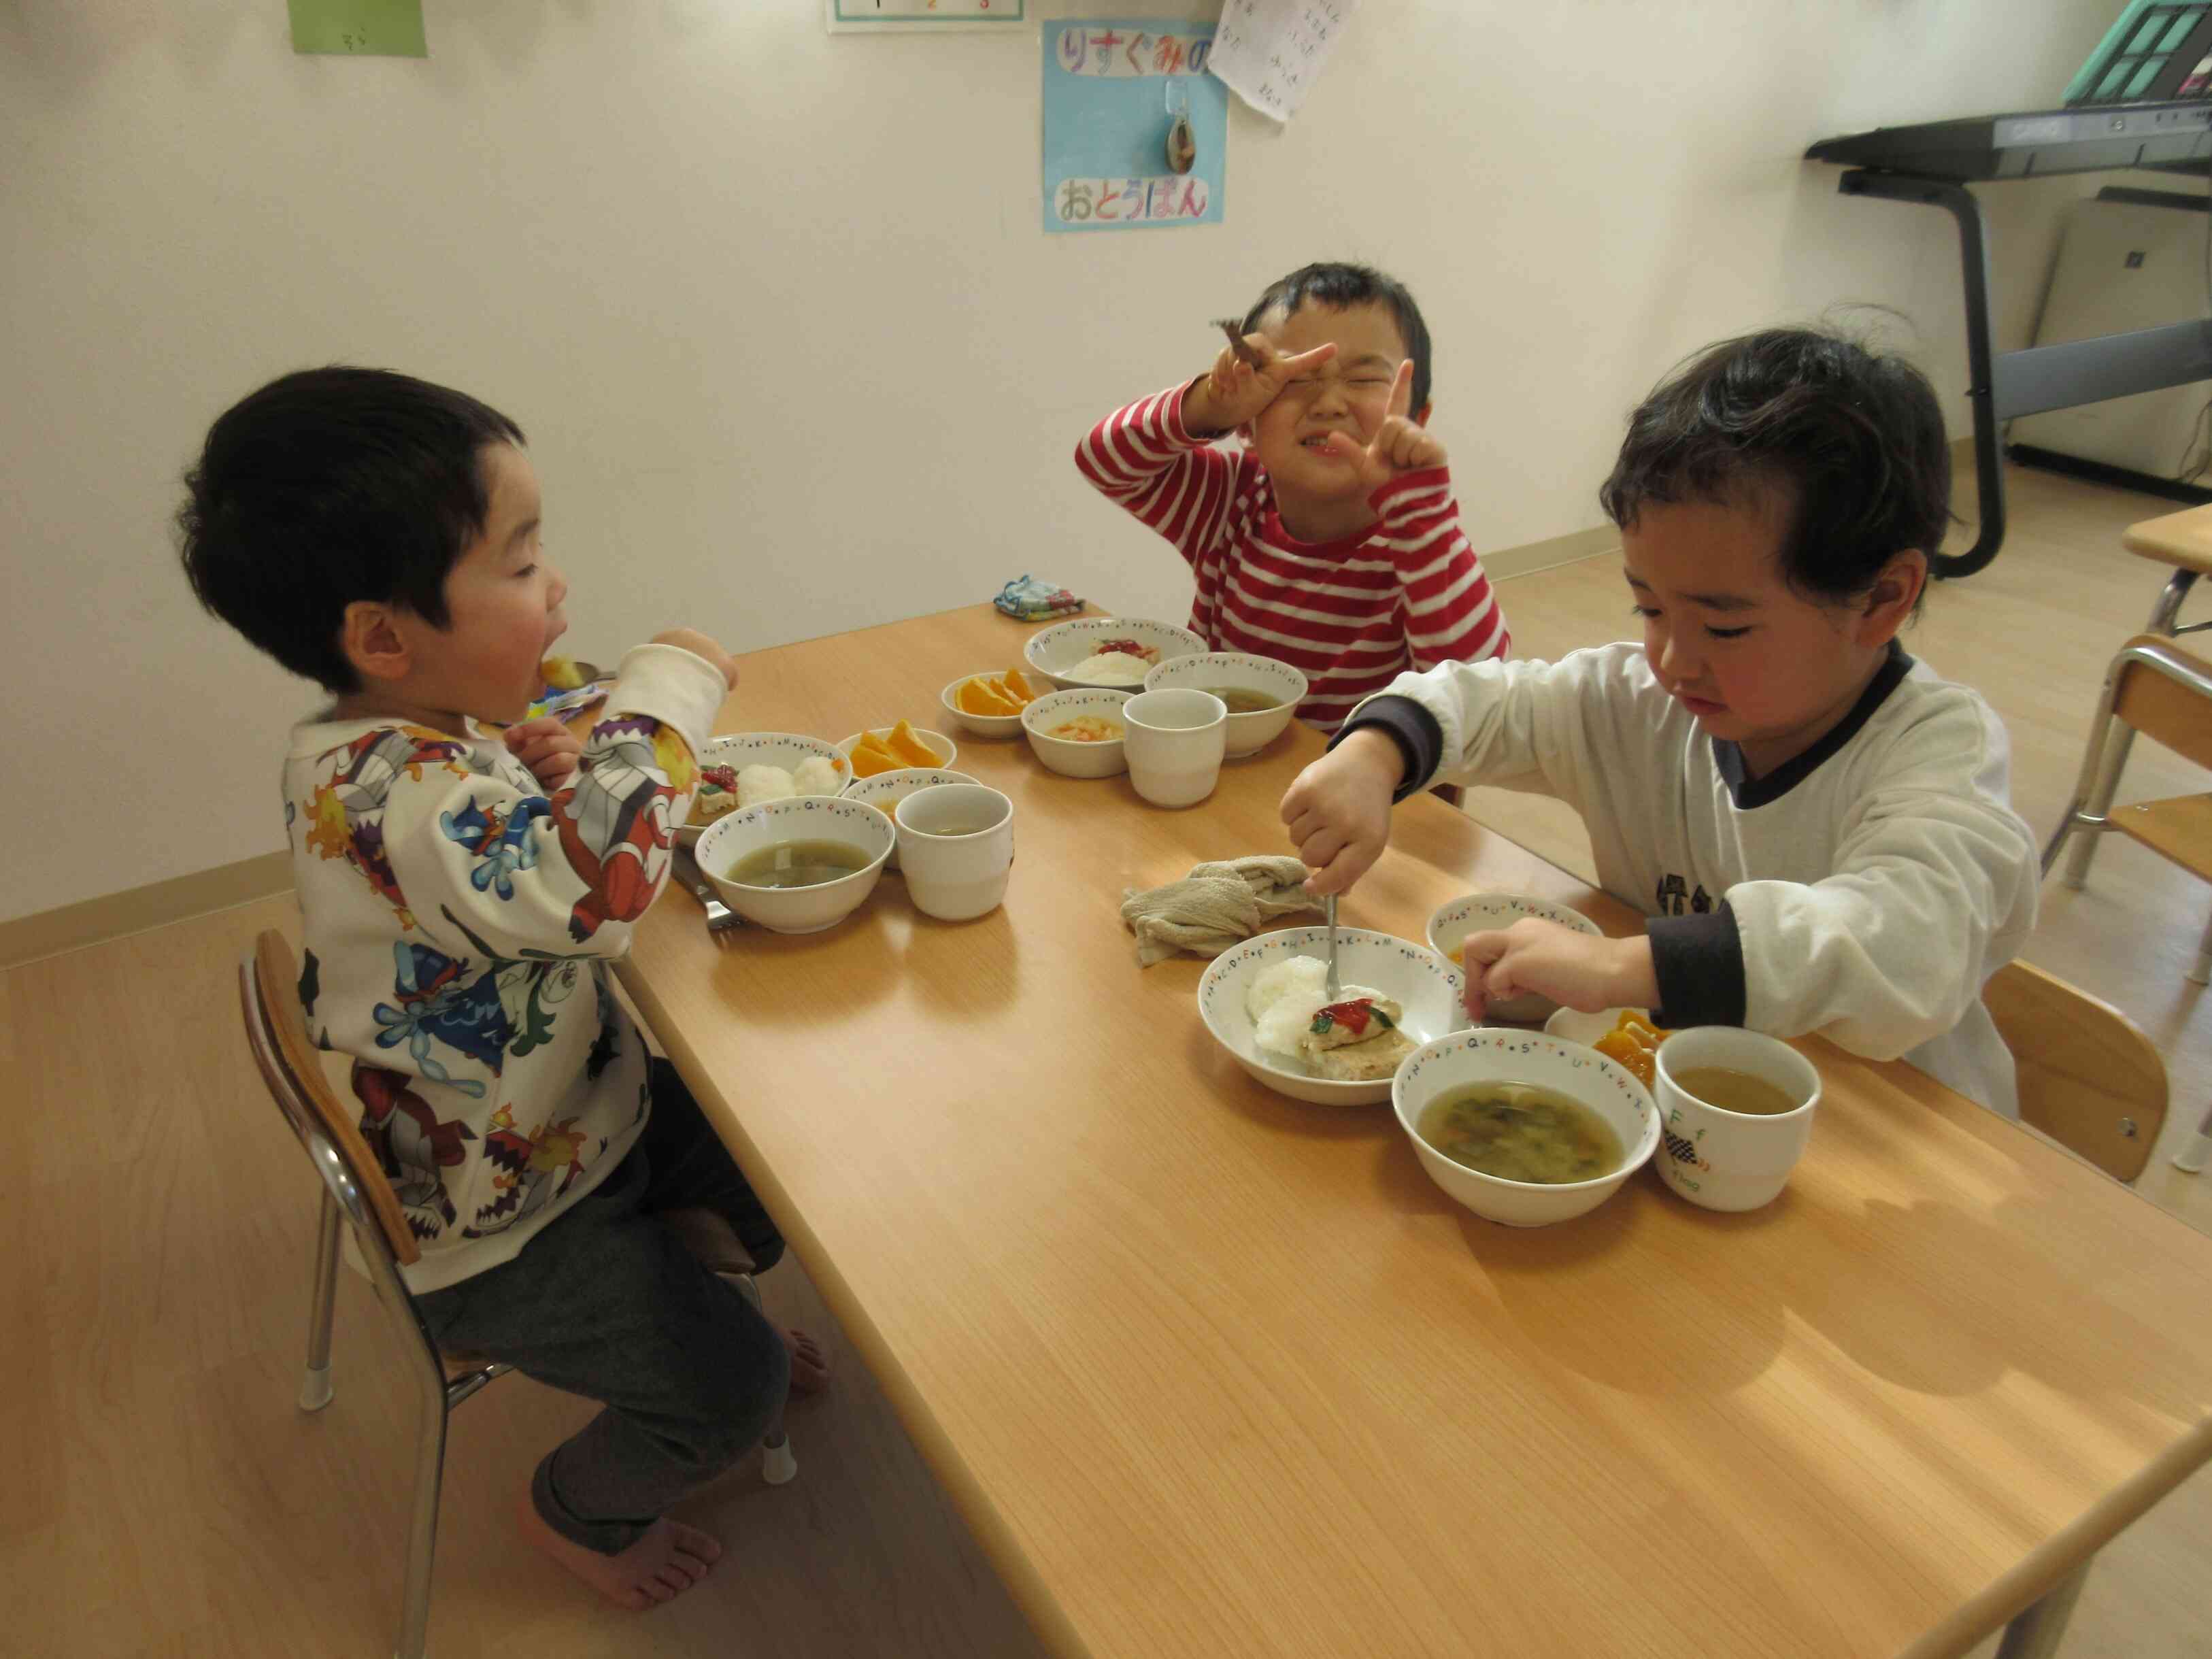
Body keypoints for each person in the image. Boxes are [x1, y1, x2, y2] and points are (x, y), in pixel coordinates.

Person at [178, 366, 827, 1609]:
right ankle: (580, 1505)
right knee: (731, 1387)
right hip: (497, 1214)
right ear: (382, 634)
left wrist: (565, 749)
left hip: (572, 1111)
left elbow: (529, 807)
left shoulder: (402, 732)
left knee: (788, 1154)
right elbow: (602, 889)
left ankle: (701, 1317)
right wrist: (670, 683)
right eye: (522, 562)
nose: (558, 583)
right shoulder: (406, 797)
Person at [1278, 328, 2039, 1113]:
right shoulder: (1644, 700)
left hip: (1897, 1129)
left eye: (1726, 627)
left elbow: (1910, 944)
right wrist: (1374, 754)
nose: (1673, 659)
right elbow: (1490, 703)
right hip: (1686, 1104)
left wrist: (1627, 968)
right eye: (1648, 606)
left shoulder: (1939, 751)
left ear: (1882, 599)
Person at [1074, 261, 1509, 733]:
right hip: (1217, 769)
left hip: (1352, 792)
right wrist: (1209, 403)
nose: (1329, 403)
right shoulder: (1229, 500)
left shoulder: (1421, 544)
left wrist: (1422, 516)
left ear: (1418, 418)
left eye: (1363, 380)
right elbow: (1102, 458)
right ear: (1247, 423)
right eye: (1296, 380)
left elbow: (1479, 692)